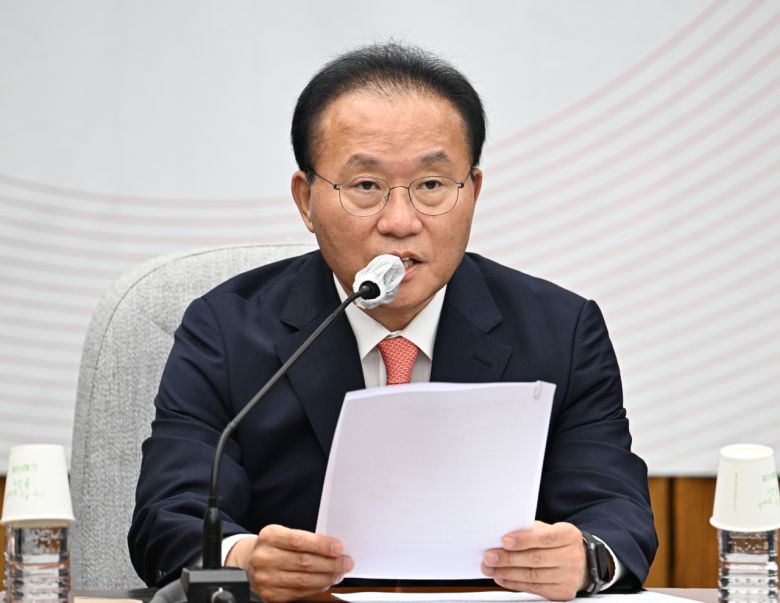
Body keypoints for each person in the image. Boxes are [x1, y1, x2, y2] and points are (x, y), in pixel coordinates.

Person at [129, 43, 657, 603]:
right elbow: (169, 515)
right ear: (306, 200)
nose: (401, 222)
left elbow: (616, 513)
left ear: (473, 192)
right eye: (366, 187)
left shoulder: (561, 330)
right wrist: (242, 559)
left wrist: (586, 559)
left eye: (431, 186)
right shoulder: (226, 329)